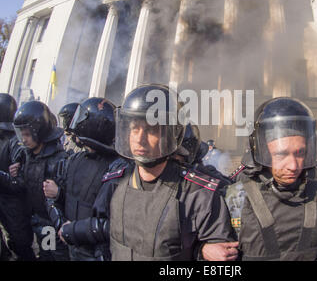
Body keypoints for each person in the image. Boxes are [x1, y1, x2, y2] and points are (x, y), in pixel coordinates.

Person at [59, 84, 237, 261]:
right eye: (134, 128)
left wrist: (200, 252)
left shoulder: (199, 195)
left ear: (171, 135)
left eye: (151, 129)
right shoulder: (114, 183)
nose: (139, 139)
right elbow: (104, 235)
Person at [224, 97, 317, 260]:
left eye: (300, 153)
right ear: (262, 151)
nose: (293, 166)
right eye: (280, 154)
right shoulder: (236, 198)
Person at [43, 98, 119, 261]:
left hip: (97, 252)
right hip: (71, 247)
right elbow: (54, 199)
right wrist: (62, 225)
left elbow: (114, 223)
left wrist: (71, 230)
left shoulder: (116, 168)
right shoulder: (74, 160)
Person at [0, 101, 70, 261]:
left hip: (52, 225)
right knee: (45, 254)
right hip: (39, 222)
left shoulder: (59, 160)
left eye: (27, 135)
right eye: (21, 134)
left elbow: (73, 197)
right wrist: (11, 175)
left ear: (40, 132)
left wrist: (59, 192)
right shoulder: (27, 156)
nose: (23, 140)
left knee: (54, 256)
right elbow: (19, 186)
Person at [0, 93, 36, 261]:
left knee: (20, 244)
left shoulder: (16, 141)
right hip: (4, 201)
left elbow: (20, 181)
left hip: (14, 205)